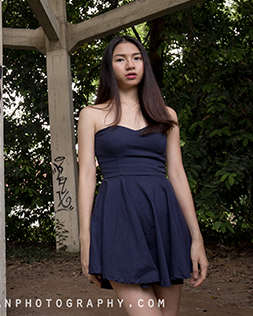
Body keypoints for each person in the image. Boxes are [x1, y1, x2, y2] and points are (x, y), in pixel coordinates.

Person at [77, 35, 208, 316]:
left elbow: (177, 173)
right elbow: (87, 175)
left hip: (164, 219)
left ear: (145, 64)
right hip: (119, 219)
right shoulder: (92, 115)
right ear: (109, 67)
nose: (130, 64)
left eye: (136, 58)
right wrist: (86, 239)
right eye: (120, 59)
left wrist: (196, 238)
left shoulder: (166, 115)